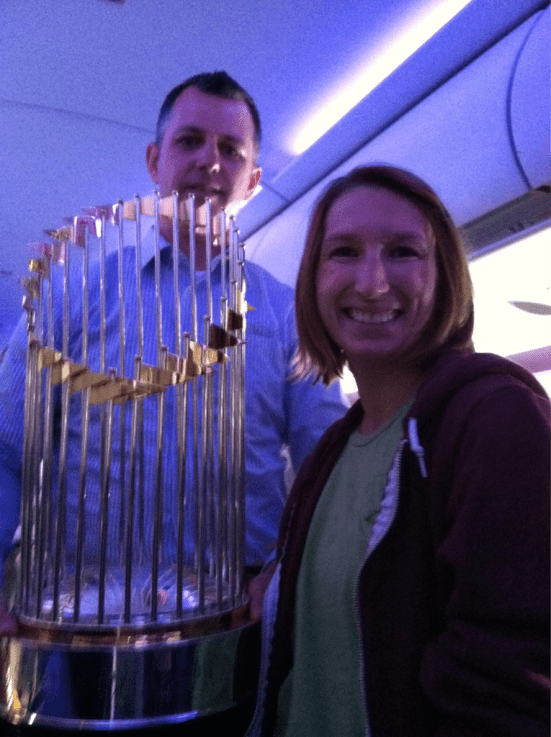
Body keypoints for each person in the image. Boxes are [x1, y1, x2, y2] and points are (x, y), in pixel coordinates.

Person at [0, 72, 347, 626]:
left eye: (230, 150)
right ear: (154, 161)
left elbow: (326, 463)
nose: (210, 161)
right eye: (190, 142)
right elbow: (7, 452)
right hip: (82, 616)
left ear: (252, 181)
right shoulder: (69, 291)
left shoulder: (287, 312)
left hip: (239, 612)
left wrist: (290, 570)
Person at [246, 165, 550, 737]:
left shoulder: (495, 421)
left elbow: (510, 686)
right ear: (313, 279)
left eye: (403, 252)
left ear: (444, 276)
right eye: (344, 252)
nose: (371, 283)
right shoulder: (329, 456)